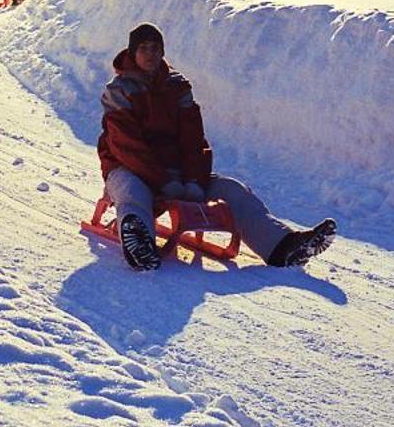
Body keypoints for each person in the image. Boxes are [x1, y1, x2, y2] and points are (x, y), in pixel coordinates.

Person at [97, 22, 336, 272]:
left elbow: (194, 141)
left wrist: (193, 181)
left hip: (176, 173)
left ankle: (283, 246)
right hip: (128, 168)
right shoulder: (119, 90)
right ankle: (140, 244)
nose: (150, 54)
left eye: (156, 48)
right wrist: (163, 181)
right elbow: (127, 146)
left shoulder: (177, 87)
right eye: (143, 48)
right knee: (132, 192)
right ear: (133, 53)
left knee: (233, 190)